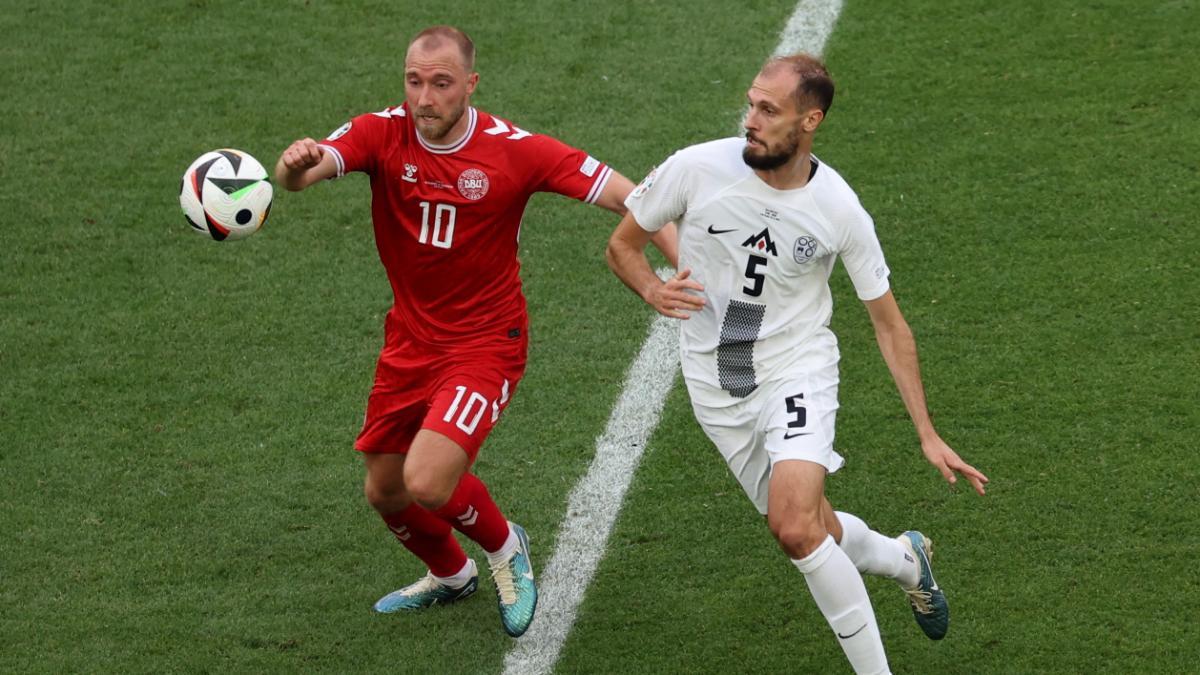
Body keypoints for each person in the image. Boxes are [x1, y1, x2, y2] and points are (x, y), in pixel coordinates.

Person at [275, 25, 676, 638]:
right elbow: (305, 175)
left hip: (485, 344)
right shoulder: (380, 133)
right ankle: (451, 574)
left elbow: (633, 196)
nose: (424, 98)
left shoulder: (514, 150)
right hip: (410, 341)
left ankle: (504, 545)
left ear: (470, 84)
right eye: (414, 81)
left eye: (440, 84)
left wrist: (680, 263)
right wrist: (293, 166)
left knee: (428, 480)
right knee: (385, 492)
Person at [606, 54, 988, 673]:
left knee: (793, 527)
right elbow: (622, 245)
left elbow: (889, 326)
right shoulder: (696, 168)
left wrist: (928, 433)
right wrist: (651, 288)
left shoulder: (838, 210)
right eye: (751, 104)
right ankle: (904, 558)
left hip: (795, 368)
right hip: (715, 382)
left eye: (769, 110)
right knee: (813, 526)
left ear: (810, 121)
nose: (750, 120)